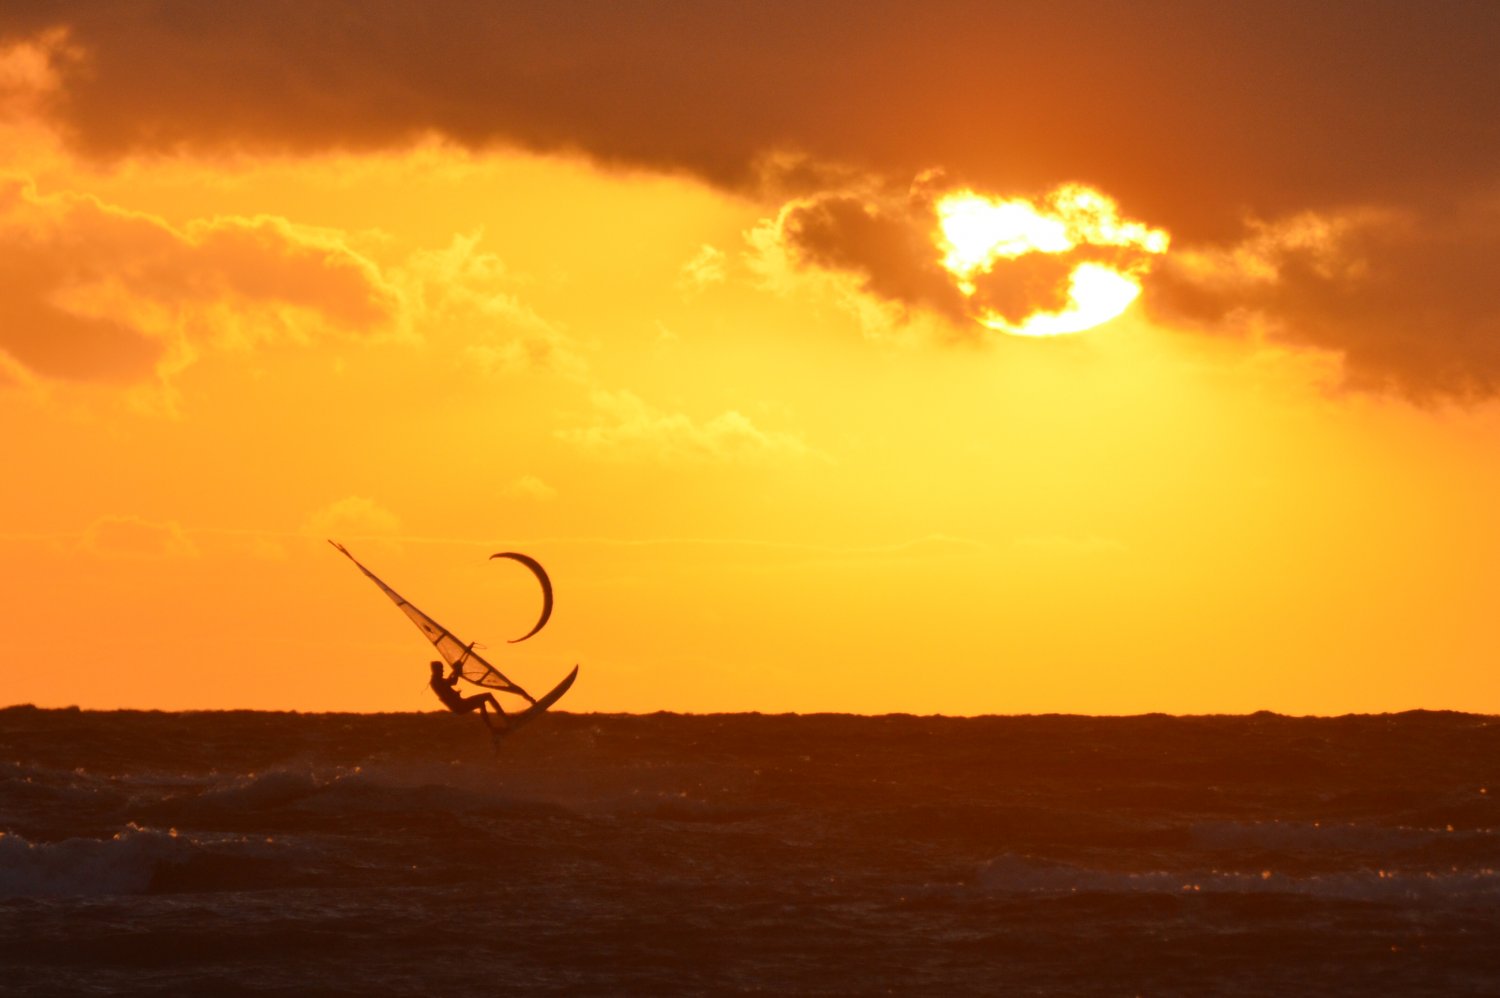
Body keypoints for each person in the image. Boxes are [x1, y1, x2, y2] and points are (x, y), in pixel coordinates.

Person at [428, 661, 507, 732]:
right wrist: (457, 671)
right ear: (436, 670)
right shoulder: (436, 681)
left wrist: (456, 671)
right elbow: (450, 683)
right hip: (460, 706)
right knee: (488, 695)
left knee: (481, 704)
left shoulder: (438, 680)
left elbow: (452, 682)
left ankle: (492, 728)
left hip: (460, 704)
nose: (443, 671)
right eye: (441, 669)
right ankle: (505, 718)